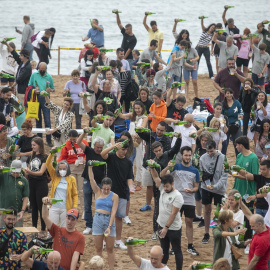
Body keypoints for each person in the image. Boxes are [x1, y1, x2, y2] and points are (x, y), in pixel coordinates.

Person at [166, 146, 200, 256]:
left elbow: (196, 187)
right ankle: (174, 247)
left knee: (189, 222)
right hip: (177, 200)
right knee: (176, 223)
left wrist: (191, 191)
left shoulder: (195, 170)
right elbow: (166, 177)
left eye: (189, 155)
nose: (188, 157)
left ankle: (190, 245)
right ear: (181, 156)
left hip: (189, 199)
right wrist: (168, 167)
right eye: (186, 155)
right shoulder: (175, 167)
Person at [100, 139, 133, 250]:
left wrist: (131, 187)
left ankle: (118, 241)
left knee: (119, 218)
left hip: (122, 193)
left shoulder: (128, 162)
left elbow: (129, 178)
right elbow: (102, 154)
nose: (124, 151)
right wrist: (113, 146)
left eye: (126, 150)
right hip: (109, 193)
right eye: (123, 149)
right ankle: (105, 241)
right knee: (106, 217)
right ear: (118, 148)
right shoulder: (112, 157)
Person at [149, 135, 182, 240]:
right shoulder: (154, 162)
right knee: (157, 209)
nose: (158, 152)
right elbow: (159, 176)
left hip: (170, 186)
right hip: (159, 187)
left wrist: (179, 138)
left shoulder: (167, 154)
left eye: (159, 150)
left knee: (170, 208)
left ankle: (168, 227)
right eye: (156, 151)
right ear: (153, 152)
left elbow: (176, 148)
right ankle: (155, 231)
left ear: (162, 149)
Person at [150, 172, 184, 270]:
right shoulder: (163, 189)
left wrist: (166, 227)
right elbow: (155, 177)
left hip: (173, 228)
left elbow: (173, 214)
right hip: (161, 225)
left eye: (167, 186)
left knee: (177, 250)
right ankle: (162, 268)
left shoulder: (178, 196)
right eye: (164, 186)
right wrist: (152, 167)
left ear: (172, 184)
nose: (165, 189)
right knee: (164, 250)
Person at [88, 166, 118, 270]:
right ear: (101, 187)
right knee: (98, 248)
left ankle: (111, 269)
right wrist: (90, 167)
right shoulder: (98, 192)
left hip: (109, 219)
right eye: (104, 188)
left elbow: (113, 212)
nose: (106, 190)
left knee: (110, 249)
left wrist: (109, 226)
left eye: (108, 189)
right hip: (98, 219)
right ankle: (98, 268)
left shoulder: (114, 196)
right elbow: (91, 179)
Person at [42, 198, 85, 270]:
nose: (69, 221)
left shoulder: (80, 237)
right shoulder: (57, 230)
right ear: (65, 218)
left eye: (72, 219)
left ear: (76, 221)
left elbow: (75, 256)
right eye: (68, 218)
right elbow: (45, 217)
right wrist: (45, 204)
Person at [137, 121, 171, 211]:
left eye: (161, 130)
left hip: (160, 167)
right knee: (149, 185)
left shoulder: (167, 140)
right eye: (158, 129)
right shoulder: (151, 135)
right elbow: (142, 134)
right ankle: (148, 204)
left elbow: (166, 154)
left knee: (160, 186)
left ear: (165, 130)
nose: (159, 132)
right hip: (148, 164)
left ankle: (161, 204)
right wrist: (139, 130)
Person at [199, 140, 228, 244]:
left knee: (219, 212)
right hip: (206, 187)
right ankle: (206, 233)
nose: (209, 153)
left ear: (216, 148)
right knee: (206, 210)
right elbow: (201, 173)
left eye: (211, 151)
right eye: (207, 151)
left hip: (219, 189)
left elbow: (225, 176)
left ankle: (219, 232)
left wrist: (215, 186)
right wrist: (207, 184)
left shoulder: (223, 158)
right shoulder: (202, 158)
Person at [232, 136, 259, 246]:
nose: (236, 146)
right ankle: (240, 239)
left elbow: (254, 177)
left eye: (237, 145)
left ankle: (248, 241)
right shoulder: (239, 155)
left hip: (249, 192)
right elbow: (236, 171)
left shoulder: (253, 158)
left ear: (241, 145)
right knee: (238, 215)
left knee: (248, 217)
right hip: (238, 190)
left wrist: (239, 176)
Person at [77, 134, 106, 235]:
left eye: (101, 148)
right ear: (94, 145)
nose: (98, 149)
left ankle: (97, 225)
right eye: (97, 147)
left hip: (99, 182)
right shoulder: (89, 150)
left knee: (99, 204)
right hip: (87, 180)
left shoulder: (104, 155)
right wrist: (84, 133)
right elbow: (78, 142)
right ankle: (89, 225)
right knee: (87, 205)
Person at [118, 100, 148, 191]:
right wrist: (118, 110)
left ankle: (139, 183)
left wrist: (138, 131)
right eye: (136, 108)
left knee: (139, 163)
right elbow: (122, 116)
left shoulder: (144, 117)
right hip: (130, 141)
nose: (137, 110)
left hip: (139, 141)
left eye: (139, 108)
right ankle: (130, 181)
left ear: (142, 108)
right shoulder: (132, 115)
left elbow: (143, 126)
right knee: (129, 162)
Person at [58, 130, 88, 215]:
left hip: (82, 167)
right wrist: (58, 164)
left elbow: (87, 153)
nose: (72, 141)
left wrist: (85, 159)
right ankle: (71, 208)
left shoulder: (84, 142)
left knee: (81, 190)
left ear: (77, 137)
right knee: (71, 189)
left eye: (74, 139)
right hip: (71, 168)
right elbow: (63, 156)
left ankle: (84, 210)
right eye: (71, 139)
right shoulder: (67, 144)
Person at [46, 150, 78, 227]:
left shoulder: (71, 179)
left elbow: (74, 194)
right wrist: (52, 153)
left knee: (64, 229)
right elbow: (48, 164)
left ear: (67, 169)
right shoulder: (55, 177)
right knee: (52, 227)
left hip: (65, 208)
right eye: (60, 169)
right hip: (54, 206)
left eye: (64, 169)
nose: (62, 170)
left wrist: (75, 206)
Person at [24, 137, 48, 238]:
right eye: (32, 145)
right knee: (33, 207)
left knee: (40, 207)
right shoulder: (32, 156)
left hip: (41, 183)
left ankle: (43, 229)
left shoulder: (45, 157)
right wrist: (26, 173)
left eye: (34, 145)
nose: (32, 147)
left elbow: (41, 172)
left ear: (39, 145)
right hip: (32, 183)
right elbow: (28, 168)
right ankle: (34, 228)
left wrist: (29, 172)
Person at [28, 62, 55, 147]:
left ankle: (48, 140)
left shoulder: (49, 77)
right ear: (38, 68)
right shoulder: (34, 75)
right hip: (36, 98)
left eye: (44, 70)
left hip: (46, 98)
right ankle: (39, 140)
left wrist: (50, 90)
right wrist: (34, 90)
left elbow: (53, 88)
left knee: (47, 120)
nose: (42, 71)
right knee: (38, 119)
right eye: (41, 70)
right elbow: (29, 85)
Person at [239, 198, 270, 270]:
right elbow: (249, 215)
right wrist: (240, 203)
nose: (251, 228)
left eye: (253, 226)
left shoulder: (262, 240)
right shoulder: (265, 228)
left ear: (260, 224)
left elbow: (255, 260)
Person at [192, 131, 213, 228]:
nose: (204, 142)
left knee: (205, 200)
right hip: (196, 176)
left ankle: (205, 218)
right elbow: (195, 133)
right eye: (202, 140)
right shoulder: (198, 147)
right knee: (197, 197)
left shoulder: (209, 151)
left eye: (206, 140)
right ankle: (199, 216)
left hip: (204, 179)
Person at [0, 160, 29, 227]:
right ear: (10, 167)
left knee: (17, 233)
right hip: (3, 212)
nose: (15, 173)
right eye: (14, 171)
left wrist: (22, 211)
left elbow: (25, 197)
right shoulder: (4, 175)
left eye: (17, 172)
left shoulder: (24, 180)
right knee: (2, 233)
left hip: (17, 213)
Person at [222, 88, 243, 156]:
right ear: (225, 95)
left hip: (236, 125)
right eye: (227, 93)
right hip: (226, 126)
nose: (229, 95)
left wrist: (240, 119)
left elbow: (240, 112)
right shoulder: (223, 104)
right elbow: (221, 116)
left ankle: (239, 159)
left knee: (238, 143)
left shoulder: (237, 103)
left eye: (230, 93)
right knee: (224, 143)